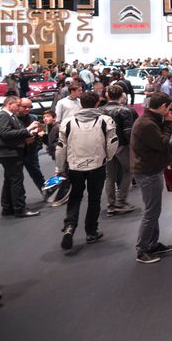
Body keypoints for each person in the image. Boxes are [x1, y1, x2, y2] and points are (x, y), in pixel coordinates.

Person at [55, 92, 118, 250]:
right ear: (97, 103)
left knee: (75, 197)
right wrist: (107, 158)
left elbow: (61, 147)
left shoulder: (68, 122)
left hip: (74, 166)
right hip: (97, 166)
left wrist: (60, 167)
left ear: (80, 103)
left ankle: (69, 226)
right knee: (94, 198)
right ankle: (91, 231)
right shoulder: (105, 120)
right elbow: (112, 142)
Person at [130, 93, 172, 264]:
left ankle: (152, 244)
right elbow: (161, 142)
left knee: (154, 210)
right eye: (169, 107)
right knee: (151, 212)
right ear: (163, 106)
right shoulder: (147, 124)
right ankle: (142, 249)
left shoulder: (150, 120)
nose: (171, 110)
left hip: (150, 169)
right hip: (147, 171)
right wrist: (170, 124)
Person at [100, 84, 139, 216]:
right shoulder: (124, 110)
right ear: (122, 95)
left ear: (107, 95)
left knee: (110, 176)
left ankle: (111, 205)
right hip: (122, 146)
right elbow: (127, 131)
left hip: (106, 147)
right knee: (129, 171)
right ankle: (120, 201)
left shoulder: (99, 110)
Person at [0, 96, 41, 218]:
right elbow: (5, 134)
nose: (19, 108)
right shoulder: (3, 115)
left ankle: (8, 208)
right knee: (16, 181)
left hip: (11, 152)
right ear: (9, 104)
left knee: (10, 181)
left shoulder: (9, 116)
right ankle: (19, 209)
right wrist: (28, 130)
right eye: (17, 105)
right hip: (10, 153)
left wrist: (26, 137)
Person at [15, 98, 46, 198]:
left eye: (29, 107)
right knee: (16, 179)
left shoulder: (33, 117)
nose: (28, 109)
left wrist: (37, 139)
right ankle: (17, 201)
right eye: (25, 107)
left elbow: (40, 132)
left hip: (31, 151)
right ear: (18, 106)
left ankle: (46, 192)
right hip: (16, 152)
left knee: (37, 173)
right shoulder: (11, 119)